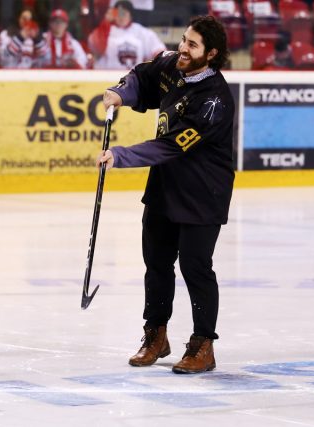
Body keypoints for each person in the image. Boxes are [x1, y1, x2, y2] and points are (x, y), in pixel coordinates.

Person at [96, 15, 234, 374]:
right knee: (156, 263)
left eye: (192, 44)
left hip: (202, 192)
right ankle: (156, 335)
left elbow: (171, 146)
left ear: (211, 54)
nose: (183, 48)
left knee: (194, 266)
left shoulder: (214, 101)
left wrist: (122, 156)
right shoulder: (174, 63)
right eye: (184, 39)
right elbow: (144, 75)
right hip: (165, 185)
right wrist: (121, 92)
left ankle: (203, 345)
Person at [88, 0, 165, 70]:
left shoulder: (142, 32)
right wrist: (106, 22)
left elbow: (160, 52)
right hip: (109, 76)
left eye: (124, 13)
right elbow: (96, 47)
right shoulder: (105, 30)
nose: (121, 17)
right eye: (118, 13)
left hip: (134, 77)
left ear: (130, 15)